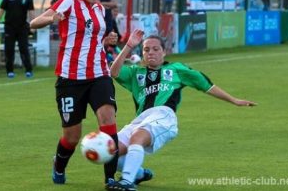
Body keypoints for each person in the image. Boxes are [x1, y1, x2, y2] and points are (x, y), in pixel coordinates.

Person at [106, 29, 257, 191]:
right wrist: (129, 45)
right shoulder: (136, 72)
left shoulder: (176, 69)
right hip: (140, 119)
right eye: (146, 49)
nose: (151, 53)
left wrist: (234, 100)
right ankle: (139, 174)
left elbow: (206, 85)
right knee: (109, 151)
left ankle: (127, 182)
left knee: (137, 138)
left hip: (164, 116)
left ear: (164, 52)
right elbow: (113, 72)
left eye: (156, 49)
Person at [30, 0, 120, 187]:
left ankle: (111, 179)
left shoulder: (100, 8)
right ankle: (58, 166)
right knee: (72, 137)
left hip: (99, 74)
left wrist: (106, 41)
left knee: (108, 120)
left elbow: (92, 39)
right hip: (71, 80)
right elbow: (34, 22)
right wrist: (52, 18)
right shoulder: (69, 1)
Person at [0, 0, 35, 78]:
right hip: (9, 27)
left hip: (22, 28)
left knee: (24, 49)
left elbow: (31, 13)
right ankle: (10, 71)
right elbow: (1, 10)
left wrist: (33, 25)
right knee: (9, 50)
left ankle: (28, 70)